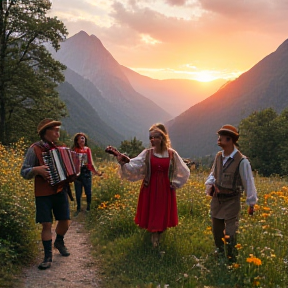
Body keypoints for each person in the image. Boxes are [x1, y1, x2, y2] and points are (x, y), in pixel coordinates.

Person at [117, 123, 190, 247]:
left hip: (166, 188)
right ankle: (154, 239)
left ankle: (159, 234)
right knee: (153, 210)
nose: (152, 140)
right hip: (150, 187)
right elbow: (134, 165)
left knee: (162, 211)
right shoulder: (147, 153)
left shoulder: (172, 154)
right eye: (150, 137)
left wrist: (175, 183)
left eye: (155, 137)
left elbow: (184, 170)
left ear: (162, 138)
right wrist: (124, 163)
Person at [20, 119, 72, 270]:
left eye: (58, 129)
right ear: (45, 132)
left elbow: (68, 170)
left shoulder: (61, 148)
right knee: (46, 224)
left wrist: (74, 173)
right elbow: (24, 172)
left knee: (65, 221)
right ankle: (47, 257)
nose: (58, 132)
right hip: (43, 193)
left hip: (60, 190)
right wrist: (36, 170)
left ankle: (59, 241)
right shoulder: (34, 149)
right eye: (55, 129)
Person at [205, 124, 258, 262]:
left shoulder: (242, 161)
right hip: (217, 200)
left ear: (230, 139)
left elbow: (248, 181)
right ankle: (220, 253)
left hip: (232, 200)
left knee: (230, 232)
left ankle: (231, 257)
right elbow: (213, 173)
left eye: (221, 136)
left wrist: (251, 203)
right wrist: (210, 184)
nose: (219, 139)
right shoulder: (218, 157)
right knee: (217, 230)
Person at [72, 132, 102, 214]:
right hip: (77, 173)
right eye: (81, 138)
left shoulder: (87, 149)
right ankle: (78, 208)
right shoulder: (74, 150)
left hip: (86, 172)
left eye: (83, 138)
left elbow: (90, 162)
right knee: (78, 192)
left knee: (88, 191)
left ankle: (88, 208)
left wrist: (96, 172)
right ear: (77, 141)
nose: (83, 139)